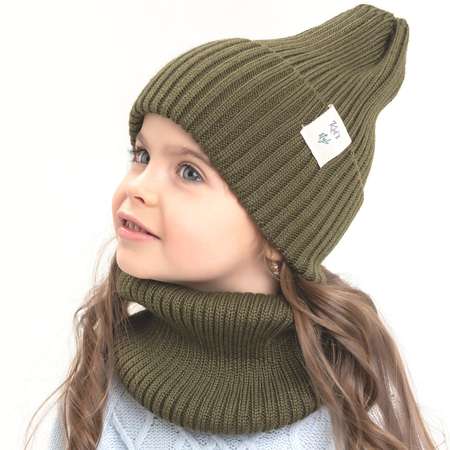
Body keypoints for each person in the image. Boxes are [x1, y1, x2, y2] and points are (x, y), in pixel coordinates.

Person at [24, 3, 440, 449]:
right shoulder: (99, 391)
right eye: (142, 155)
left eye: (189, 172)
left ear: (282, 231)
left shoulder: (356, 407)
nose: (138, 187)